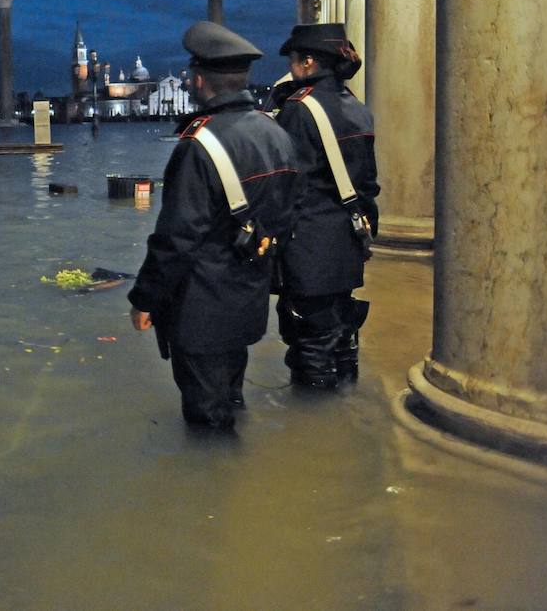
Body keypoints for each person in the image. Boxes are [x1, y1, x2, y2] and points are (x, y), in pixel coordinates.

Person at [128, 21, 298, 429]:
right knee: (229, 396)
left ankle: (215, 481)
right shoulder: (275, 133)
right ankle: (237, 479)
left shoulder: (198, 145)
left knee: (206, 417)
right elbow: (287, 211)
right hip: (249, 296)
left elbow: (176, 239)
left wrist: (145, 298)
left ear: (199, 80)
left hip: (201, 308)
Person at [274, 23, 380, 388]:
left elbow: (289, 187)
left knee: (310, 345)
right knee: (341, 331)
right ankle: (346, 416)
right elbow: (368, 184)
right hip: (347, 241)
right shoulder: (358, 108)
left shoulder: (299, 109)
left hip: (309, 247)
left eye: (292, 60)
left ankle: (314, 429)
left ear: (307, 62)